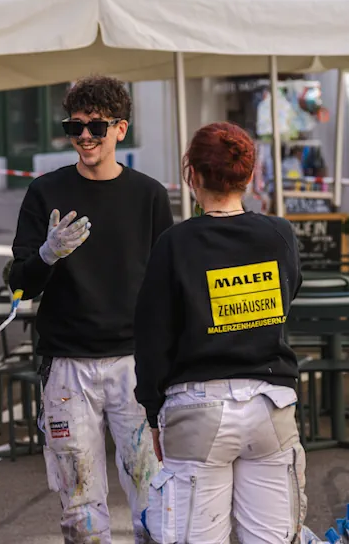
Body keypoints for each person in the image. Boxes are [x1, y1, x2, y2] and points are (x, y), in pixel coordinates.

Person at [9, 75, 174, 543]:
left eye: (96, 127)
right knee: (79, 508)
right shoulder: (44, 192)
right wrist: (45, 255)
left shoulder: (148, 195)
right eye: (74, 126)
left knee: (155, 497)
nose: (84, 136)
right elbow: (19, 282)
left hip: (134, 365)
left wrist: (168, 362)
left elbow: (167, 285)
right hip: (66, 366)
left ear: (121, 129)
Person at [134, 121, 307, 544]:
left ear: (191, 174)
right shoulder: (279, 234)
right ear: (249, 176)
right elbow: (290, 294)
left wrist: (153, 412)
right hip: (271, 405)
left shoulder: (175, 244)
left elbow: (152, 337)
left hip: (197, 408)